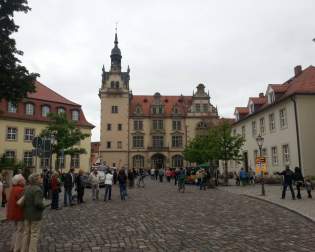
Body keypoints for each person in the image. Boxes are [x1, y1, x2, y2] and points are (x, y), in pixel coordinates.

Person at [22, 173, 45, 252]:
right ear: (36, 180)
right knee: (34, 234)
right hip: (35, 215)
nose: (41, 179)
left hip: (26, 214)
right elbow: (38, 203)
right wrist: (43, 206)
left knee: (26, 233)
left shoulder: (26, 188)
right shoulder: (37, 190)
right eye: (40, 178)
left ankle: (24, 249)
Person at [7, 174, 25, 252]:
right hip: (19, 213)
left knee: (16, 230)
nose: (25, 181)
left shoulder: (14, 188)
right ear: (19, 181)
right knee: (20, 231)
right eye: (23, 179)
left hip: (13, 212)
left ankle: (13, 246)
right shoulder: (20, 189)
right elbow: (22, 202)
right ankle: (17, 248)